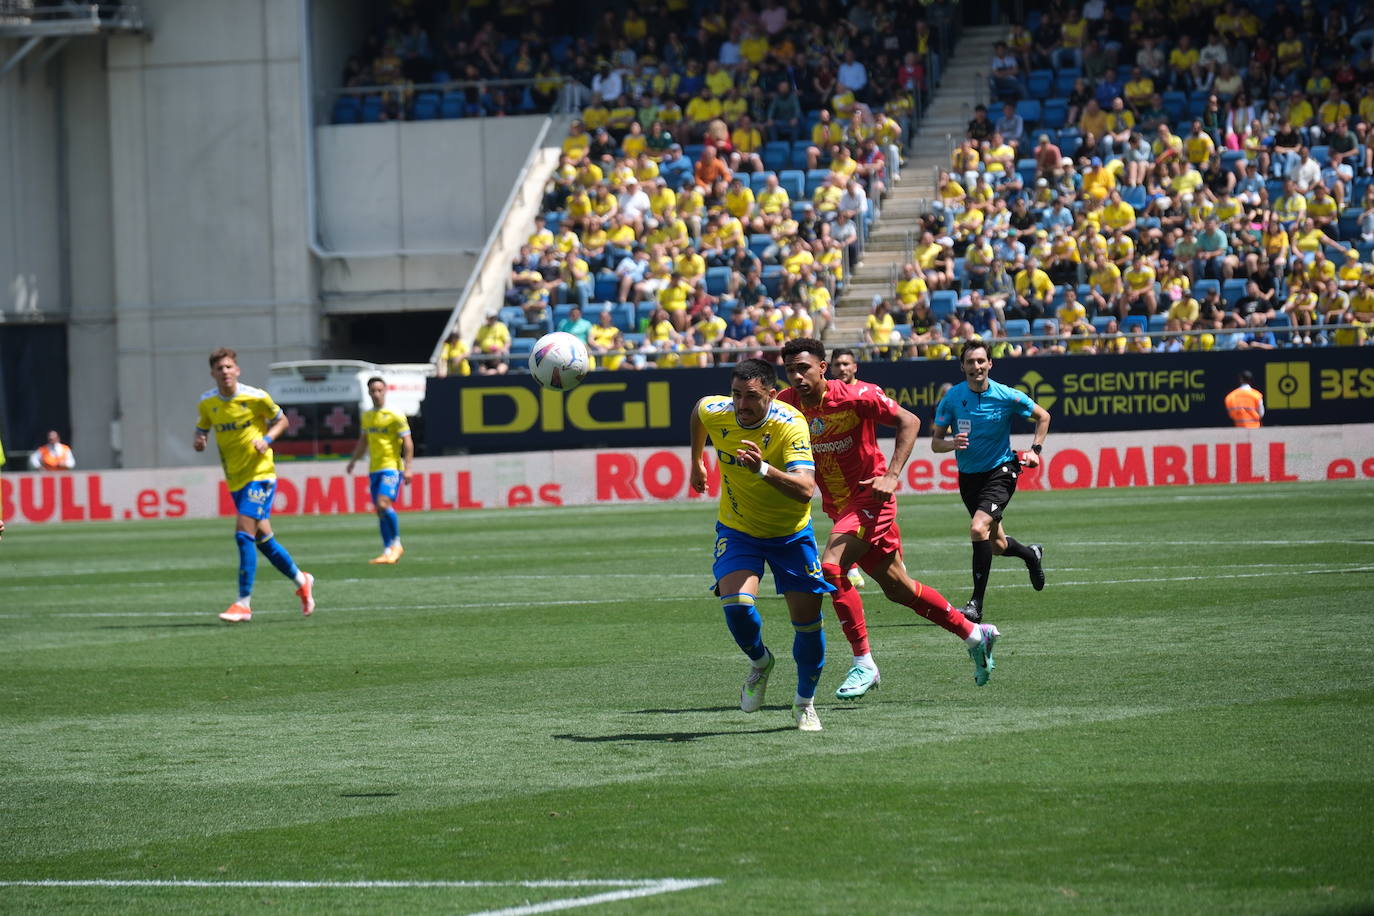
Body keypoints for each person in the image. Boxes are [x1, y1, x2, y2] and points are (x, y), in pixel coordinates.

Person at [779, 340, 1002, 698]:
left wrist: (892, 475)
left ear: (823, 367)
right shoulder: (786, 404)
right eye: (790, 370)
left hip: (872, 500)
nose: (797, 376)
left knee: (832, 567)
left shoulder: (856, 395)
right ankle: (975, 634)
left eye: (803, 368)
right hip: (840, 509)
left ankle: (863, 662)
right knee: (900, 589)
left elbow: (909, 421)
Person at [688, 358, 833, 731]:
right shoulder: (715, 409)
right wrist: (697, 463)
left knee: (807, 625)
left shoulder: (790, 425)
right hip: (739, 530)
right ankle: (761, 662)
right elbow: (698, 415)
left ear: (770, 393)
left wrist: (762, 469)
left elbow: (805, 491)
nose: (741, 405)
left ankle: (804, 703)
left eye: (751, 397)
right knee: (736, 605)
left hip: (791, 535)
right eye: (736, 394)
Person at [931, 339, 1049, 623]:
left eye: (981, 361)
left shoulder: (1006, 395)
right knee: (996, 544)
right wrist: (952, 444)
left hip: (1001, 471)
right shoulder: (952, 398)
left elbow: (1043, 416)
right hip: (969, 479)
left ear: (990, 364)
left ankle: (976, 605)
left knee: (977, 527)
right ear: (963, 367)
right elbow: (936, 443)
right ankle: (1031, 555)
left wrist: (1035, 451)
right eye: (970, 362)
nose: (976, 367)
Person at [194, 347, 315, 623]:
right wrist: (199, 440)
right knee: (263, 540)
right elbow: (202, 428)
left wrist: (267, 440)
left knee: (242, 535)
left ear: (237, 370)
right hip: (235, 478)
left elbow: (282, 420)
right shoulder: (207, 403)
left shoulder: (256, 397)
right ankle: (302, 580)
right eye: (219, 368)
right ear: (212, 373)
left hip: (261, 474)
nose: (224, 372)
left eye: (228, 367)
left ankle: (243, 603)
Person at [346, 376, 414, 564]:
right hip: (374, 468)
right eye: (373, 391)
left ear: (385, 391)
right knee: (379, 509)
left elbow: (408, 443)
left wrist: (408, 468)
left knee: (383, 504)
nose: (376, 394)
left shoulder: (395, 415)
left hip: (391, 467)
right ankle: (387, 550)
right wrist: (353, 460)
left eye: (379, 390)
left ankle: (397, 544)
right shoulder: (367, 416)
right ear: (368, 393)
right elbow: (364, 441)